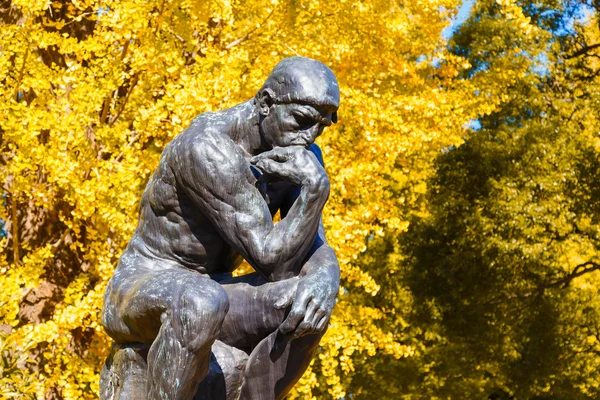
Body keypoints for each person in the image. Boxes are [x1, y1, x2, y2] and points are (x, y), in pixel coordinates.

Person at [101, 56, 341, 400]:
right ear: (265, 103)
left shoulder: (300, 153)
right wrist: (315, 191)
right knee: (200, 302)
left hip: (216, 289)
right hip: (141, 287)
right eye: (302, 121)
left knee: (307, 302)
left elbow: (311, 249)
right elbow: (272, 261)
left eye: (321, 126)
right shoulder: (206, 147)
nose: (310, 137)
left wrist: (326, 278)